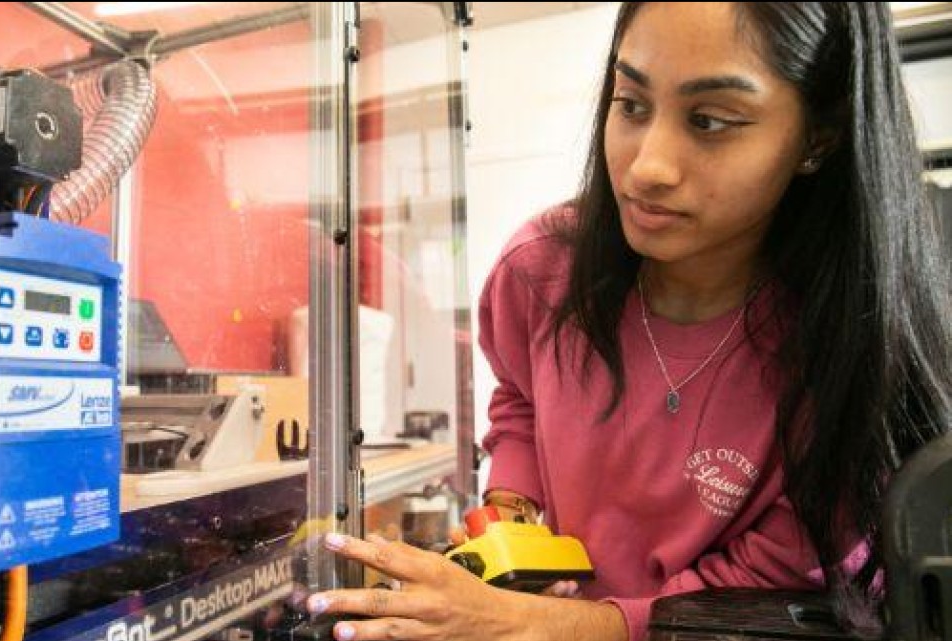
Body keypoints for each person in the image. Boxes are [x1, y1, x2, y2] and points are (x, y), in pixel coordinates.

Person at [303, 3, 952, 641]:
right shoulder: (540, 271)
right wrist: (512, 511)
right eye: (632, 104)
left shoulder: (850, 345)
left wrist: (556, 625)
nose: (646, 168)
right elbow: (521, 401)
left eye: (710, 120)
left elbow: (767, 588)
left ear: (818, 137)